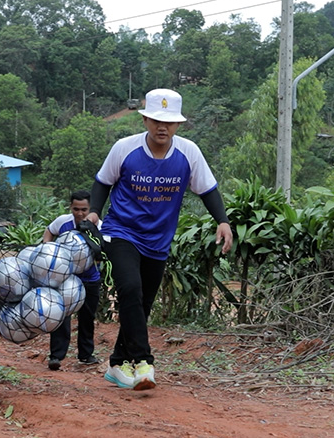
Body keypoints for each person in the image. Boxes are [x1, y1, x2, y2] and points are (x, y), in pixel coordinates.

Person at [85, 88, 232, 391]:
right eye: (155, 120)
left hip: (158, 239)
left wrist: (223, 221)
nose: (162, 127)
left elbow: (207, 189)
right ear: (145, 120)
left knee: (142, 302)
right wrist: (94, 214)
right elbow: (102, 182)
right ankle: (143, 361)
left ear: (178, 124)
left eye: (169, 122)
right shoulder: (124, 148)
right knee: (130, 287)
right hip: (120, 230)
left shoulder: (188, 152)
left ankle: (116, 363)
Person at [42, 190, 102, 371]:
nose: (80, 213)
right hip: (65, 278)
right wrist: (47, 250)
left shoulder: (100, 225)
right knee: (61, 315)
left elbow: (104, 251)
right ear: (71, 207)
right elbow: (49, 231)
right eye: (76, 209)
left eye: (84, 209)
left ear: (90, 208)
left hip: (90, 279)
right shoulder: (63, 221)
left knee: (87, 317)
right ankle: (56, 356)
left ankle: (86, 355)